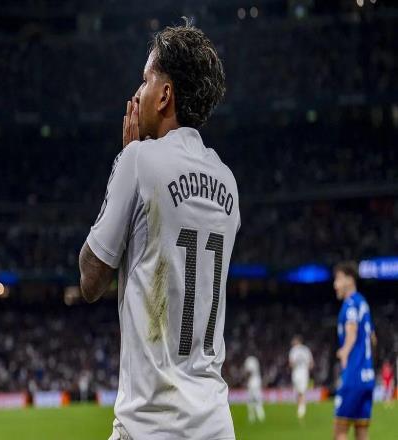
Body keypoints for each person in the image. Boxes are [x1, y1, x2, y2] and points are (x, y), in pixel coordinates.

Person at [79, 19, 239, 440]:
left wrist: (124, 161)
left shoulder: (138, 160)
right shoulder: (227, 181)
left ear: (165, 94)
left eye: (145, 80)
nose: (137, 94)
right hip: (216, 424)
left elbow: (90, 281)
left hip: (151, 423)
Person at [333, 261, 376, 440]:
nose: (335, 285)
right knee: (362, 432)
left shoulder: (350, 304)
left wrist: (344, 352)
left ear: (349, 280)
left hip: (353, 375)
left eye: (338, 279)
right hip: (368, 375)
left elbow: (352, 331)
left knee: (340, 431)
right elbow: (373, 339)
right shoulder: (363, 303)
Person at [289, 335, 314, 419]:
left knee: (298, 391)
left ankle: (301, 409)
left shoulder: (293, 350)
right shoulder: (306, 350)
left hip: (296, 373)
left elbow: (291, 363)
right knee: (302, 391)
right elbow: (311, 364)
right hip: (304, 372)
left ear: (297, 341)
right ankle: (302, 408)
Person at [244, 355, 265, 423]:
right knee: (258, 399)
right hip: (257, 381)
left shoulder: (249, 360)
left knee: (251, 400)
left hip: (252, 382)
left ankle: (252, 417)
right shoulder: (255, 359)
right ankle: (261, 415)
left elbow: (249, 372)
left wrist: (245, 376)